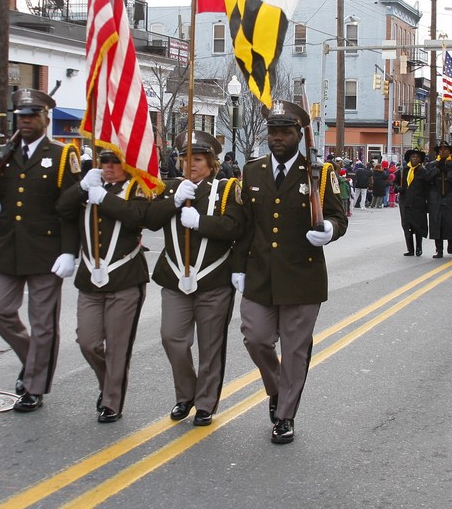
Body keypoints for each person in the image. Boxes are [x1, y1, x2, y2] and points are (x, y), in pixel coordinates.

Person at [0, 88, 81, 414]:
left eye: (31, 116)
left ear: (45, 118)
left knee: (43, 324)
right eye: (21, 116)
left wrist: (70, 251)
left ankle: (35, 387)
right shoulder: (4, 155)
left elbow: (70, 209)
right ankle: (32, 361)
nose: (25, 121)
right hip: (6, 246)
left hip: (46, 250)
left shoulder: (64, 155)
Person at [231, 100, 348, 444]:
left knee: (295, 349)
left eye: (285, 132)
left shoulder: (320, 173)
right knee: (255, 338)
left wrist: (329, 228)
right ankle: (278, 389)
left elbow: (338, 217)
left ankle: (285, 416)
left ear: (300, 134)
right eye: (273, 131)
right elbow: (246, 226)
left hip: (302, 276)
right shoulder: (252, 171)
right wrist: (238, 268)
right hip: (260, 274)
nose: (278, 137)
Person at [145, 131, 243, 427]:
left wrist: (201, 222)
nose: (190, 164)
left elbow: (235, 228)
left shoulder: (226, 190)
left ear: (211, 163)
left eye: (197, 159)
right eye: (184, 158)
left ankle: (205, 403)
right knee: (172, 338)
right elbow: (150, 220)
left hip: (213, 279)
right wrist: (173, 202)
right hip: (175, 278)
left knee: (210, 345)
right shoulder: (169, 188)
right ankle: (185, 394)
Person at [55, 147, 150, 423]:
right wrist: (83, 187)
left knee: (118, 346)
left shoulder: (135, 188)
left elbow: (138, 216)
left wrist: (104, 198)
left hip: (125, 277)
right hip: (90, 280)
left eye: (114, 161)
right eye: (104, 160)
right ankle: (108, 384)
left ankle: (112, 401)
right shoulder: (89, 187)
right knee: (88, 342)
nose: (108, 166)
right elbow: (62, 208)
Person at [425, 142, 452, 258]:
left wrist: (447, 171)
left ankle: (450, 242)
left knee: (450, 222)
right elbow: (427, 178)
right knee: (437, 223)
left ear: (449, 152)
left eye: (446, 150)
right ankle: (439, 249)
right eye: (441, 150)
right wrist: (438, 168)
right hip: (436, 197)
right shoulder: (431, 165)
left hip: (450, 196)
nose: (443, 152)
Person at [395, 149, 428, 257]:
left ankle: (419, 247)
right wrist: (397, 188)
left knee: (418, 225)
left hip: (418, 202)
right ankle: (410, 249)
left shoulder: (423, 171)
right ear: (409, 158)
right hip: (405, 202)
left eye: (417, 157)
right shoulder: (402, 170)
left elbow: (427, 186)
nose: (415, 159)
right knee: (406, 225)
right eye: (413, 157)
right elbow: (394, 182)